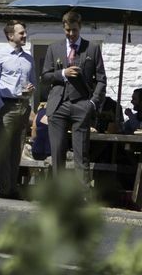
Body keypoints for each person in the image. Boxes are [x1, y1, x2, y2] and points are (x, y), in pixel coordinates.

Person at [38, 10, 107, 175]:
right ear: (63, 28)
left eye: (74, 30)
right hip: (58, 105)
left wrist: (92, 103)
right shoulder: (54, 48)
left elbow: (101, 79)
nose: (71, 34)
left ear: (80, 27)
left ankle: (82, 195)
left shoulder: (92, 48)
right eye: (67, 30)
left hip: (82, 105)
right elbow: (45, 77)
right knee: (57, 153)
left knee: (81, 154)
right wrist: (63, 74)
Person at [0, 18, 36, 198]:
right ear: (10, 35)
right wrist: (0, 105)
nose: (25, 35)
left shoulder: (28, 58)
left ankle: (12, 186)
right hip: (6, 106)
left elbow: (33, 83)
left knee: (17, 148)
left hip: (23, 106)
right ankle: (3, 188)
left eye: (24, 32)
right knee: (4, 148)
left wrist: (30, 90)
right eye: (21, 33)